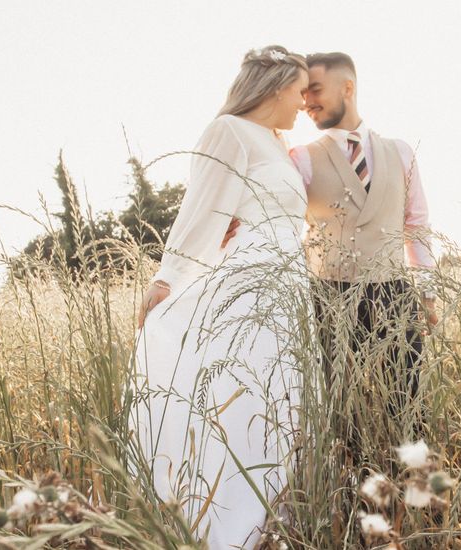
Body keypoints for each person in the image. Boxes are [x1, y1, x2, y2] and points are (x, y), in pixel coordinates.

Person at [133, 45, 309, 549]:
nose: (303, 102)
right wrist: (169, 278)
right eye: (299, 90)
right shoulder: (229, 131)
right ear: (276, 87)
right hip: (248, 284)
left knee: (281, 407)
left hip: (287, 283)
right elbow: (204, 208)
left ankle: (268, 526)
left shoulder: (277, 141)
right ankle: (222, 530)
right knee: (240, 403)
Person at [223, 51, 437, 461]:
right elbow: (272, 207)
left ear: (348, 88)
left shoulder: (401, 152)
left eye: (314, 90)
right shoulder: (300, 158)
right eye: (302, 93)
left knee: (410, 409)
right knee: (343, 419)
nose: (306, 102)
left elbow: (417, 225)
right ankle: (353, 504)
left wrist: (426, 292)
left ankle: (420, 503)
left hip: (396, 295)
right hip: (329, 300)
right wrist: (231, 220)